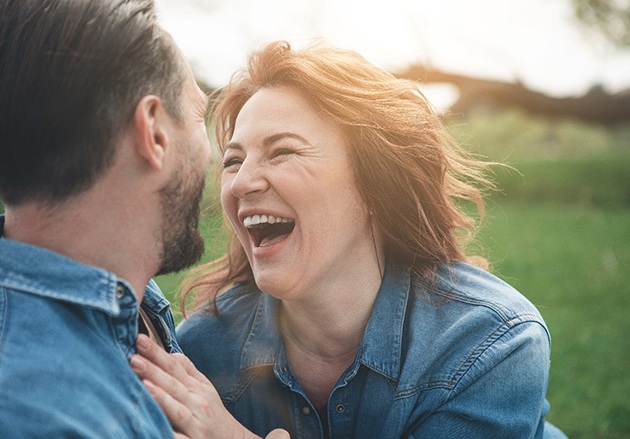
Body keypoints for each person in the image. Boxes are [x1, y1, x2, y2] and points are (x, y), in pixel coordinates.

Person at [132, 40, 568, 438]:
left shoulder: (489, 345)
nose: (241, 183)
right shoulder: (202, 352)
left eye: (282, 151)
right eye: (233, 160)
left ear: (376, 185)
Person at [0, 1, 288, 438]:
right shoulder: (55, 415)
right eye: (197, 118)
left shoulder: (132, 301)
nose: (220, 164)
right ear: (154, 132)